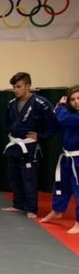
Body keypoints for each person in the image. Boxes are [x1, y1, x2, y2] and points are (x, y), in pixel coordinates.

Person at [2, 72, 57, 219]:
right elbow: (8, 123)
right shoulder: (11, 104)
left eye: (18, 86)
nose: (15, 90)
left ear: (28, 86)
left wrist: (40, 136)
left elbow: (53, 125)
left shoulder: (41, 103)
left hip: (29, 146)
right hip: (14, 144)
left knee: (29, 178)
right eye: (14, 87)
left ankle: (32, 208)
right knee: (14, 177)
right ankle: (18, 204)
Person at [41, 86, 79, 234]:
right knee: (60, 185)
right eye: (73, 99)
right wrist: (54, 113)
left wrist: (60, 107)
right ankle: (57, 210)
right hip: (67, 157)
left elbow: (64, 119)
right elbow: (55, 126)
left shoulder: (68, 116)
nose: (76, 102)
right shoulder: (68, 114)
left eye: (78, 98)